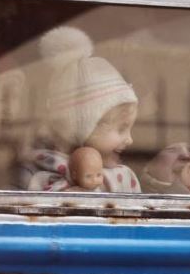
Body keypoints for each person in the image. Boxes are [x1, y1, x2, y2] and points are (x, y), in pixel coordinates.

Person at [22, 26, 141, 192]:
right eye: (121, 128)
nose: (130, 140)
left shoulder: (122, 178)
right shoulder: (38, 173)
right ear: (79, 129)